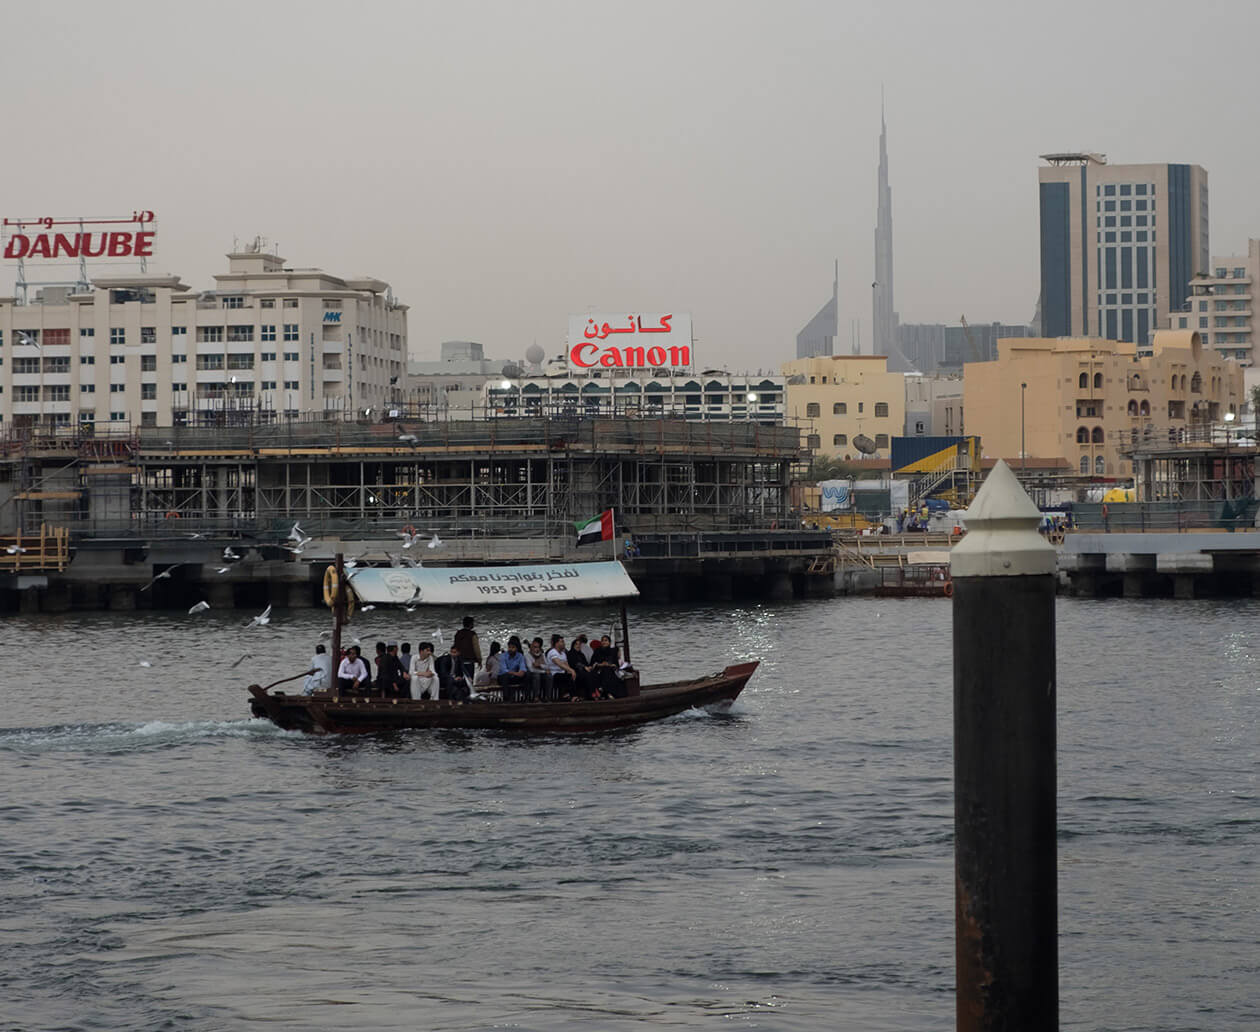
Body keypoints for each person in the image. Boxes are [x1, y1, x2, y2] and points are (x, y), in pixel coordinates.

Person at [497, 636, 530, 702]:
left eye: (513, 647)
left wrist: (521, 672)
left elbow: (522, 667)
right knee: (505, 676)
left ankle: (526, 697)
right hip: (504, 677)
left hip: (515, 676)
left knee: (527, 675)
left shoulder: (520, 656)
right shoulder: (503, 656)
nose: (510, 649)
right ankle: (506, 698)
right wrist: (516, 673)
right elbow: (504, 670)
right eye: (509, 647)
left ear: (516, 648)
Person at [546, 634, 577, 700]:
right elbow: (559, 663)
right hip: (554, 674)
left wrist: (571, 672)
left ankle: (570, 695)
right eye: (562, 641)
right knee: (566, 677)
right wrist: (572, 670)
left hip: (562, 673)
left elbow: (566, 665)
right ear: (557, 643)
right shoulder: (552, 652)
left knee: (575, 676)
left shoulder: (563, 653)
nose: (564, 643)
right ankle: (573, 696)